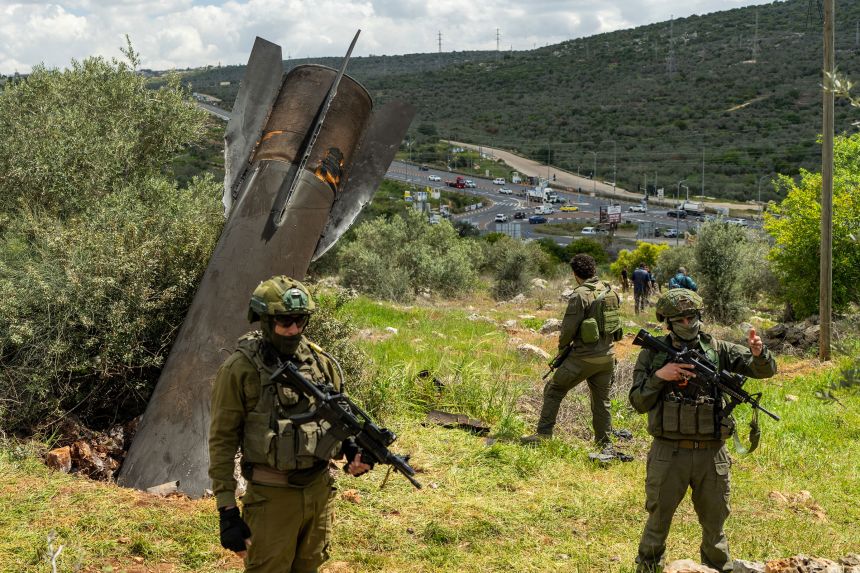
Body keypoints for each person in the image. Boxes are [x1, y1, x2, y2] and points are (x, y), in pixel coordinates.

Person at [209, 276, 372, 573]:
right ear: (266, 321)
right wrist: (227, 509)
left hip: (319, 492)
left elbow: (335, 416)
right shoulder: (240, 368)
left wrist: (351, 450)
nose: (294, 329)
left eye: (300, 320)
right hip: (272, 498)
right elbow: (222, 440)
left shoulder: (319, 362)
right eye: (285, 322)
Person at [628, 289, 776, 572]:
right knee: (658, 521)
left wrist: (760, 353)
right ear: (667, 322)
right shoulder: (652, 353)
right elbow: (637, 401)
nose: (688, 323)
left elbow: (764, 370)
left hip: (711, 454)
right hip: (668, 453)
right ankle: (648, 567)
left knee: (715, 524)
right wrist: (661, 376)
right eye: (680, 319)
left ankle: (719, 569)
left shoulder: (719, 350)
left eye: (692, 317)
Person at [522, 254, 626, 456]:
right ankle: (604, 444)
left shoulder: (580, 295)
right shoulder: (610, 291)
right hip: (607, 357)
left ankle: (543, 435)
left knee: (553, 390)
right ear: (593, 270)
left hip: (583, 358)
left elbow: (568, 329)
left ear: (575, 274)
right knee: (602, 401)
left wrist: (562, 350)